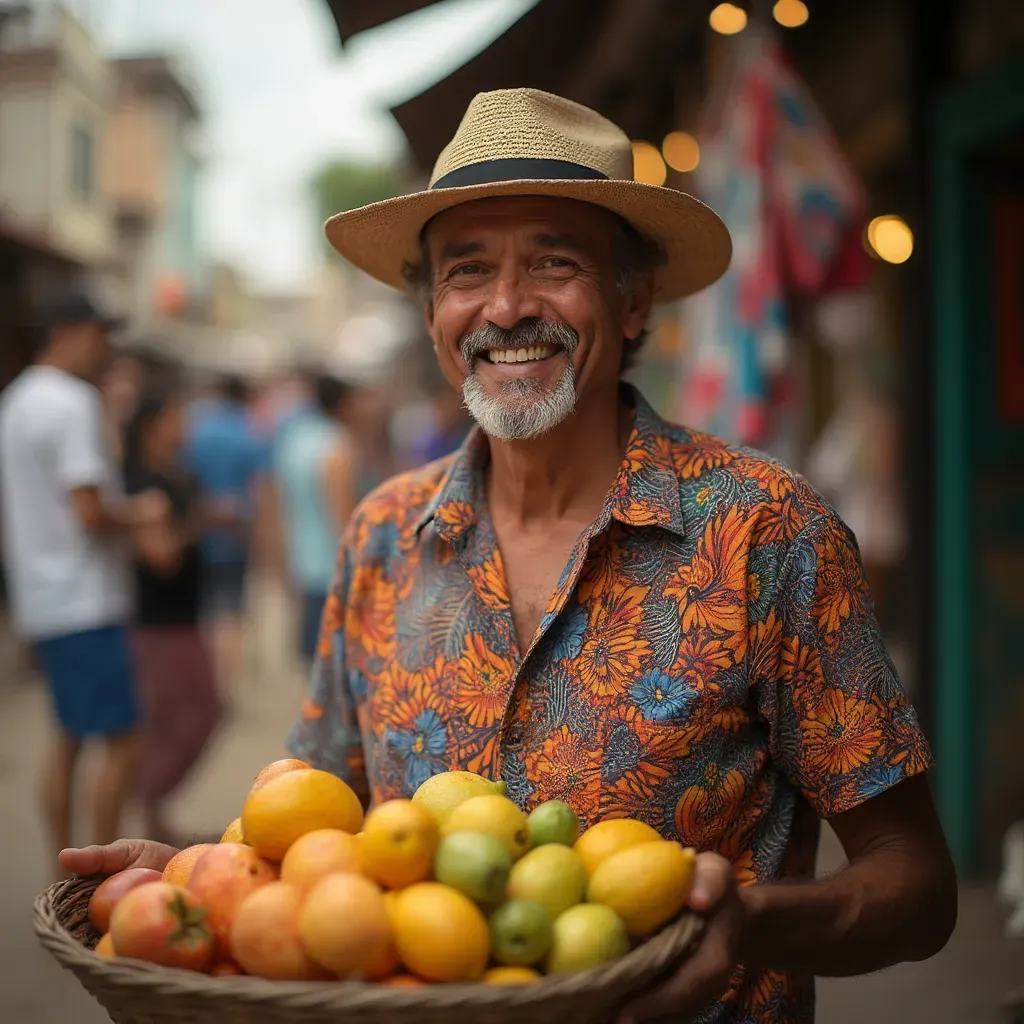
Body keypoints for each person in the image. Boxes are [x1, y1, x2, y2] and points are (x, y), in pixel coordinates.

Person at [61, 89, 956, 1021]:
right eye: (467, 270)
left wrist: (751, 926)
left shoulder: (767, 533)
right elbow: (320, 836)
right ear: (430, 312)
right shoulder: (380, 538)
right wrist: (208, 881)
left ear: (635, 293)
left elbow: (918, 887)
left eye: (555, 262)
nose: (507, 307)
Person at [0, 292, 166, 863]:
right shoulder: (71, 402)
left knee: (70, 738)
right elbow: (91, 512)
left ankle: (66, 870)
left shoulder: (17, 400)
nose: (105, 349)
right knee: (123, 741)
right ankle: (99, 878)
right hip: (84, 599)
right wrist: (140, 512)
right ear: (70, 332)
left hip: (44, 598)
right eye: (100, 335)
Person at [122, 379, 223, 845]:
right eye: (175, 418)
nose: (184, 426)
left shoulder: (179, 474)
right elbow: (160, 556)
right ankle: (145, 801)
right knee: (196, 713)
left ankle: (153, 813)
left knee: (189, 715)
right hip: (158, 621)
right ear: (151, 427)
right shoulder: (142, 485)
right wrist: (202, 522)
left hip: (184, 616)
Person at [186, 373, 273, 691]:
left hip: (197, 534)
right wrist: (267, 541)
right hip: (237, 536)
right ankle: (226, 683)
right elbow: (262, 491)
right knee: (233, 612)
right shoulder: (250, 434)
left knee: (207, 611)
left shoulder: (196, 429)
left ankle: (206, 678)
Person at [272, 373, 359, 669]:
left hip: (302, 562)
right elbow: (342, 516)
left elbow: (281, 502)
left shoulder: (295, 439)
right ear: (344, 404)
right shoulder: (337, 445)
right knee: (332, 665)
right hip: (331, 569)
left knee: (312, 664)